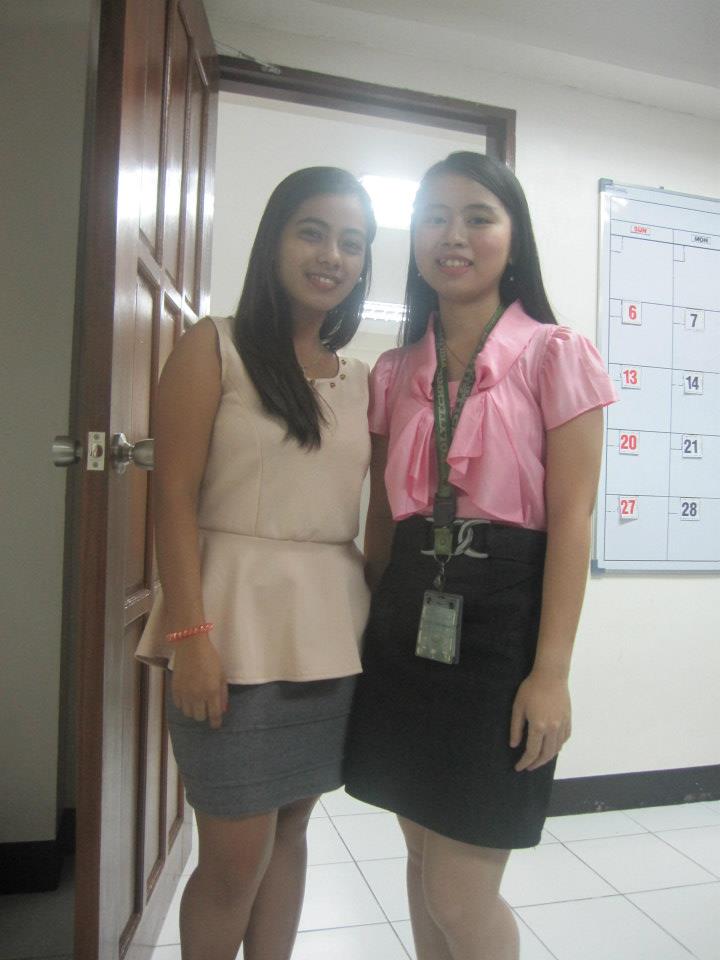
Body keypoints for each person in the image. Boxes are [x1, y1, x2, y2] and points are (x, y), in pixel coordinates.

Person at [344, 151, 617, 960]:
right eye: (434, 217)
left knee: (459, 894)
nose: (452, 236)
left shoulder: (555, 354)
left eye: (477, 218)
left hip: (503, 630)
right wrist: (364, 631)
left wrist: (552, 672)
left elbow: (572, 524)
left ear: (513, 236)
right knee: (419, 858)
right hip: (404, 622)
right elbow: (380, 521)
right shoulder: (395, 371)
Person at [135, 166, 377, 960]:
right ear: (275, 240)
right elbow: (173, 497)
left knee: (293, 830)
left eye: (352, 243)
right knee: (234, 857)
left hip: (330, 634)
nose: (332, 255)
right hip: (226, 625)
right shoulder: (214, 346)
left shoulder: (363, 380)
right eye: (313, 232)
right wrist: (190, 636)